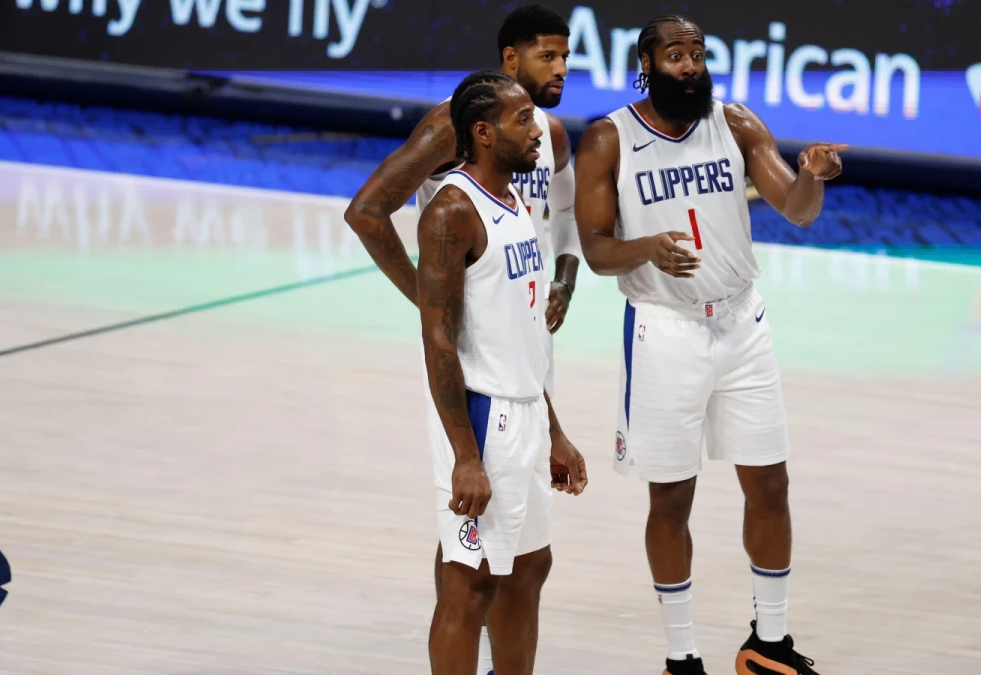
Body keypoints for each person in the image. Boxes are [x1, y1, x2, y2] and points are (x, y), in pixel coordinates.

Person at [573, 14, 846, 675]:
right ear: (647, 62)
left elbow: (798, 208)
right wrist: (648, 251)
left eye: (697, 53)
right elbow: (595, 249)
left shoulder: (737, 123)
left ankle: (767, 642)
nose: (690, 65)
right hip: (666, 331)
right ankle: (681, 655)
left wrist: (812, 174)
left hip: (743, 325)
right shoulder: (608, 139)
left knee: (772, 484)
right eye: (675, 55)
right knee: (671, 498)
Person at [343, 6, 581, 673]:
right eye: (546, 56)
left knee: (527, 564)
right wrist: (427, 297)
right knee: (468, 570)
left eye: (566, 57)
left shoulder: (547, 138)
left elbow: (562, 213)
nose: (559, 69)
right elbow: (366, 211)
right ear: (510, 61)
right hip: (477, 373)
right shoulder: (451, 156)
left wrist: (564, 270)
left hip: (525, 361)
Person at [418, 69, 587, 675]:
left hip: (527, 411)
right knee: (470, 584)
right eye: (522, 122)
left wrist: (555, 428)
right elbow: (436, 340)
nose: (535, 130)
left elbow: (525, 334)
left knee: (530, 567)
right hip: (482, 417)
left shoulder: (516, 203)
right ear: (484, 133)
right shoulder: (451, 212)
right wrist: (465, 454)